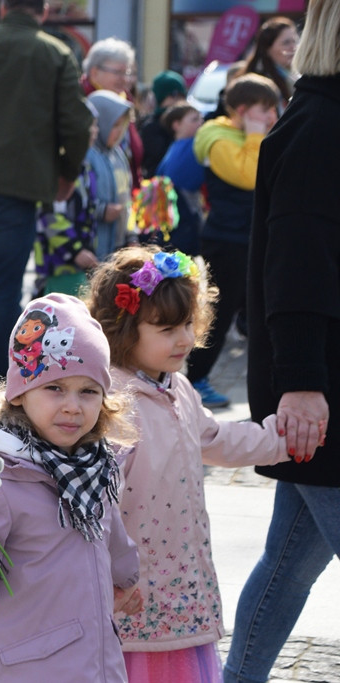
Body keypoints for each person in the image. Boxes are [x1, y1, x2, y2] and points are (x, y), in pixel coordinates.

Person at [86, 246, 297, 682]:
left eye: (187, 324)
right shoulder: (113, 404)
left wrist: (282, 440)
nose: (183, 339)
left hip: (181, 579)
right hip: (135, 591)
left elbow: (216, 439)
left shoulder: (177, 387)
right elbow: (97, 505)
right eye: (166, 328)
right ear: (124, 328)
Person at [0, 293, 141, 681]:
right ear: (19, 394)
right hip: (25, 665)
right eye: (55, 388)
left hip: (95, 660)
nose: (72, 406)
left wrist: (127, 577)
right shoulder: (2, 474)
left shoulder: (98, 465)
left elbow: (111, 533)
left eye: (88, 391)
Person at [225, 2, 339, 678]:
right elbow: (295, 268)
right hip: (320, 391)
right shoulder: (320, 125)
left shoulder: (319, 117)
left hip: (318, 388)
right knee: (288, 564)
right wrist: (302, 382)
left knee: (288, 562)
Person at [0, 0, 92, 403]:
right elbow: (76, 123)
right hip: (18, 187)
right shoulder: (55, 51)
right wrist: (67, 173)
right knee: (5, 290)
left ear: (3, 7)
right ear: (42, 10)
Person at [188, 74, 280, 409]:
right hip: (227, 240)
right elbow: (249, 174)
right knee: (219, 314)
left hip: (250, 236)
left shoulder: (243, 134)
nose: (272, 116)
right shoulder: (218, 137)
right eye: (264, 109)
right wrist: (256, 136)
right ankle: (195, 379)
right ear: (242, 110)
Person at [33, 101, 100, 297]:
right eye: (90, 126)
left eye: (96, 125)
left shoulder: (84, 166)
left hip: (80, 264)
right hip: (58, 264)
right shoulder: (56, 168)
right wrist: (75, 251)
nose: (94, 131)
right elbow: (49, 216)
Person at [81, 37, 144, 187]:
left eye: (127, 72)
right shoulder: (82, 101)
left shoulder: (125, 101)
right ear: (95, 72)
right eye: (118, 72)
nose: (125, 79)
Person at [86, 90, 133, 259]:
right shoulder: (87, 156)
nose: (119, 131)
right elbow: (77, 200)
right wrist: (101, 211)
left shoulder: (118, 155)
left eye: (123, 125)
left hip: (118, 244)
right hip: (93, 249)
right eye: (114, 125)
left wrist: (131, 235)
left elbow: (126, 197)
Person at [155, 104, 205, 256]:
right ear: (176, 125)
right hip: (182, 217)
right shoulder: (193, 144)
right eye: (194, 119)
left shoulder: (174, 148)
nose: (200, 123)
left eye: (200, 118)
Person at [139, 70, 187, 178]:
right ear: (161, 97)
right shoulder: (151, 127)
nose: (179, 100)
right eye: (174, 95)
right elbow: (162, 158)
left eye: (182, 95)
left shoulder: (187, 120)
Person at [241, 17, 299, 107]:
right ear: (267, 48)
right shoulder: (258, 82)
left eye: (294, 41)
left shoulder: (296, 77)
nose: (293, 47)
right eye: (286, 43)